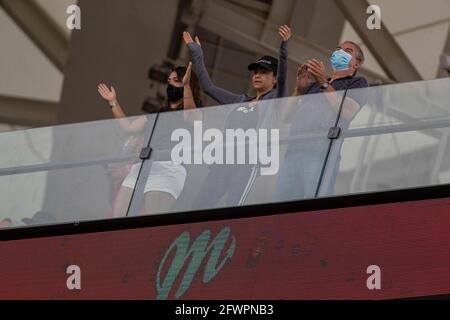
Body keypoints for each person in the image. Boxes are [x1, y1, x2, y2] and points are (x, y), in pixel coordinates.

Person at [182, 26, 291, 209]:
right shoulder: (239, 100)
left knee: (233, 208)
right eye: (255, 72)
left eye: (264, 72)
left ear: (273, 79)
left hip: (247, 164)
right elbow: (208, 87)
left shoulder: (274, 100)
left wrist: (284, 49)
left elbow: (283, 82)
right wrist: (198, 54)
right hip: (223, 162)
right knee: (200, 206)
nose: (257, 75)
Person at [97, 63, 203, 216]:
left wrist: (186, 86)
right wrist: (113, 102)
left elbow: (190, 115)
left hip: (169, 168)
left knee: (153, 219)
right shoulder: (157, 112)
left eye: (175, 80)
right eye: (169, 80)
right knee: (118, 216)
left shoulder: (194, 111)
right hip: (142, 166)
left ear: (185, 83)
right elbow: (129, 127)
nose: (170, 83)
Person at [274, 41, 369, 202]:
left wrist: (323, 81)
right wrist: (299, 88)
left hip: (321, 154)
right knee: (281, 208)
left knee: (316, 205)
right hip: (293, 153)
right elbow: (286, 116)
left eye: (348, 51)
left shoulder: (357, 83)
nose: (340, 52)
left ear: (356, 63)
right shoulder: (314, 86)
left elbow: (347, 111)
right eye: (338, 49)